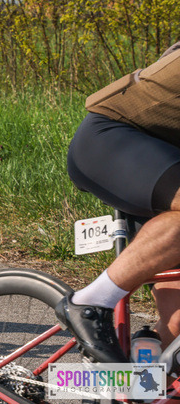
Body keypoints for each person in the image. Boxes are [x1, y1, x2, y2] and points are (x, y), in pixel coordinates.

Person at [56, 40, 180, 364]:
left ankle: (134, 392)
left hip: (164, 166)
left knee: (176, 327)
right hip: (111, 141)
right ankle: (91, 302)